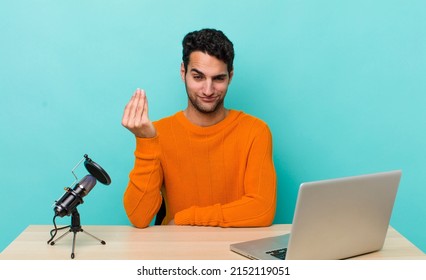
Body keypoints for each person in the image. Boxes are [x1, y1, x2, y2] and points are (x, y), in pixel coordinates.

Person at [122, 28, 276, 228]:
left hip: (234, 253)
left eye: (218, 79)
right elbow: (138, 217)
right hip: (178, 253)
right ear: (183, 72)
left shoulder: (255, 131)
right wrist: (146, 142)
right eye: (198, 77)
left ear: (230, 76)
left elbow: (262, 209)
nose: (208, 90)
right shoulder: (159, 133)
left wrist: (184, 219)